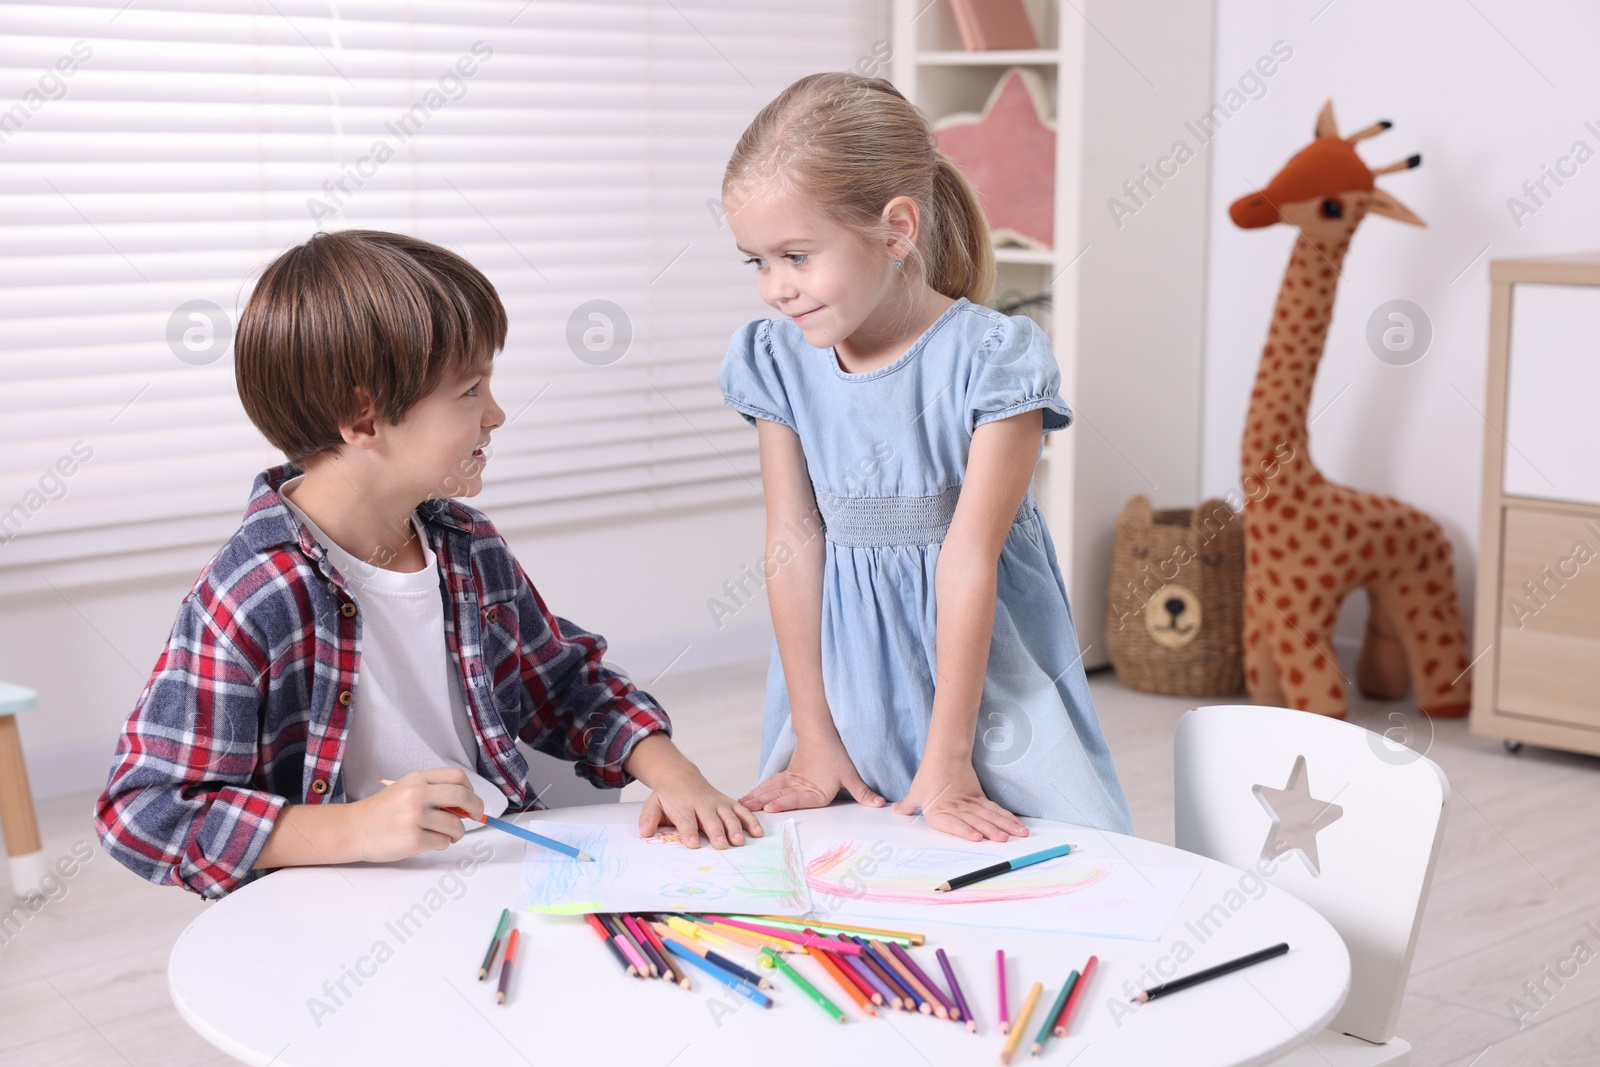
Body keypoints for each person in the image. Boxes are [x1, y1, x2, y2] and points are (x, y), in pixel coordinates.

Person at [96, 230, 759, 898]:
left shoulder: (465, 546)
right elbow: (143, 811)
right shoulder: (253, 594)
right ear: (362, 418)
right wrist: (354, 829)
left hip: (488, 872)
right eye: (470, 390)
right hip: (328, 905)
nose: (496, 414)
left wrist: (679, 777)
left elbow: (563, 686)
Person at [718, 73, 1131, 842]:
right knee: (842, 863)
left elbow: (969, 562)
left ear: (897, 228)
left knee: (1072, 855)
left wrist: (948, 757)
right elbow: (791, 543)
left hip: (984, 686)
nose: (776, 287)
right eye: (757, 262)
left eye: (797, 256)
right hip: (841, 686)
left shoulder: (995, 358)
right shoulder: (775, 360)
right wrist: (814, 733)